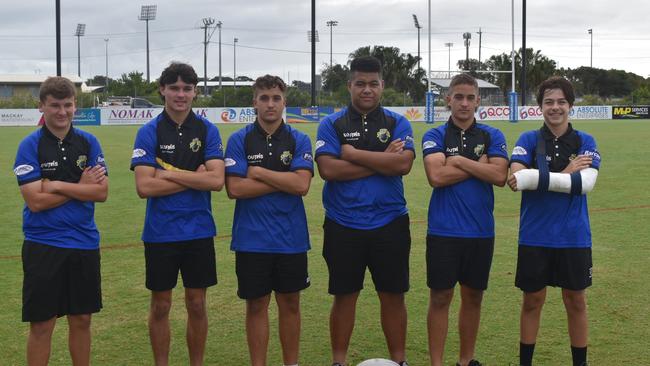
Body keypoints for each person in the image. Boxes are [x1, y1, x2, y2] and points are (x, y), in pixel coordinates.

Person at [315, 55, 415, 366]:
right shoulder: (331, 123)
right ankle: (339, 361)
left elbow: (403, 164)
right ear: (350, 86)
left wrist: (355, 154)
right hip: (343, 224)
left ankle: (399, 361)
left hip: (390, 222)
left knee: (393, 295)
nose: (367, 89)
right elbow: (329, 170)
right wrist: (380, 161)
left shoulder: (397, 122)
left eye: (373, 84)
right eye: (361, 83)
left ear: (383, 86)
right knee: (344, 296)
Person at [130, 62, 225, 366]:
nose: (180, 94)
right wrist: (192, 177)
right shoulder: (149, 131)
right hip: (161, 233)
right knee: (160, 306)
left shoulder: (207, 130)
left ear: (195, 92)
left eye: (187, 88)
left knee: (197, 304)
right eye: (174, 88)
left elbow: (216, 181)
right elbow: (144, 186)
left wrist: (168, 175)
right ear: (163, 90)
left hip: (198, 231)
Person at [13, 76, 108, 366]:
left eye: (67, 105)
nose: (62, 112)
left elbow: (101, 192)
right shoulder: (29, 145)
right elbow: (35, 202)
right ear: (42, 106)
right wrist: (80, 186)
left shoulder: (89, 142)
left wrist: (56, 185)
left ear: (75, 106)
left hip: (84, 243)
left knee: (81, 319)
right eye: (54, 105)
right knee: (42, 324)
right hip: (43, 245)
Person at [508, 76, 601, 366]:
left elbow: (584, 184)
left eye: (561, 101)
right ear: (540, 107)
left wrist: (543, 177)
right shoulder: (528, 139)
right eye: (549, 102)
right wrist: (567, 172)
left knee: (576, 302)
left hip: (573, 237)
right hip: (535, 236)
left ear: (570, 106)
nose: (555, 107)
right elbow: (516, 178)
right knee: (532, 302)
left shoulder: (585, 141)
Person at [224, 75, 313, 366]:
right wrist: (284, 179)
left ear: (284, 102)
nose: (270, 104)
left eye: (276, 98)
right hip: (252, 239)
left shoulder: (299, 139)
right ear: (255, 103)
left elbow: (302, 186)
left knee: (290, 304)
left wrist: (259, 172)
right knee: (256, 305)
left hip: (291, 238)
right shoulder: (239, 139)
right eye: (264, 98)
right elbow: (235, 189)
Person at [421, 73, 509, 366]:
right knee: (440, 298)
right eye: (458, 96)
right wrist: (477, 165)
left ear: (478, 101)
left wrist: (457, 160)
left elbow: (499, 175)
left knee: (473, 298)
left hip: (481, 232)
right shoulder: (434, 135)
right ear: (448, 99)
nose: (464, 103)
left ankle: (465, 360)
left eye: (470, 97)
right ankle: (436, 363)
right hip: (444, 231)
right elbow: (436, 176)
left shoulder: (491, 135)